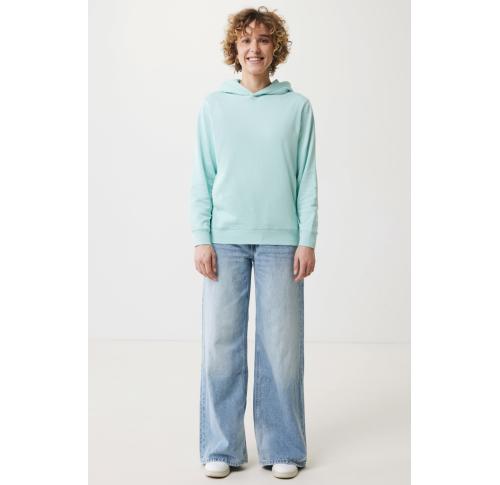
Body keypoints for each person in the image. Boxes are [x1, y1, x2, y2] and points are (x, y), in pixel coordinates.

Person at [190, 6, 318, 480]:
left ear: (275, 48)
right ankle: (221, 446)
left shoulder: (297, 107)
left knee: (281, 349)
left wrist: (307, 239)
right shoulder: (214, 106)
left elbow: (307, 179)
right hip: (225, 240)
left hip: (282, 242)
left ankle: (283, 445)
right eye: (246, 40)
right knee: (220, 346)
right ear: (235, 49)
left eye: (263, 39)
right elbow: (202, 176)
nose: (254, 48)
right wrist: (201, 238)